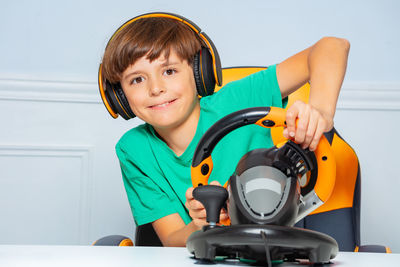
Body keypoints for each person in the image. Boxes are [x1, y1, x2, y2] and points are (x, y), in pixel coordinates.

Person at [99, 13, 350, 247]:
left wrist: (321, 110)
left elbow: (333, 46)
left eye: (169, 71)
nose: (156, 88)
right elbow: (173, 239)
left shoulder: (239, 98)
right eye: (137, 79)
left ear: (199, 74)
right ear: (119, 95)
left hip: (276, 248)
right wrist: (198, 226)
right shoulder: (134, 149)